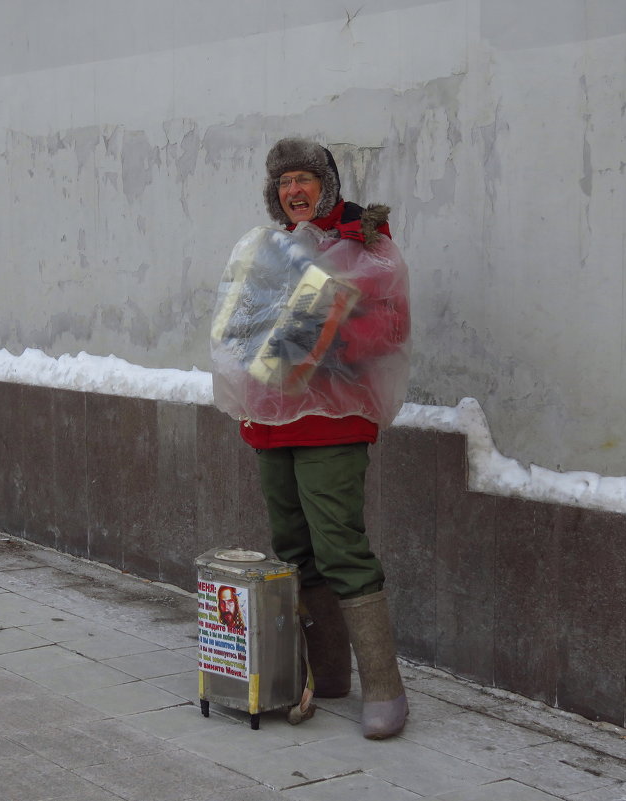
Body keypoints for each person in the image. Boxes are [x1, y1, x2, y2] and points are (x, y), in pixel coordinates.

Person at [215, 137, 410, 739]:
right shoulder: (267, 247)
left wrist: (323, 331)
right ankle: (327, 675)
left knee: (340, 545)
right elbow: (237, 323)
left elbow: (392, 327)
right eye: (282, 182)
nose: (292, 190)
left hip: (334, 420)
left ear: (325, 182)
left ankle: (384, 687)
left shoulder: (364, 244)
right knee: (293, 546)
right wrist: (258, 347)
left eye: (302, 177)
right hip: (272, 420)